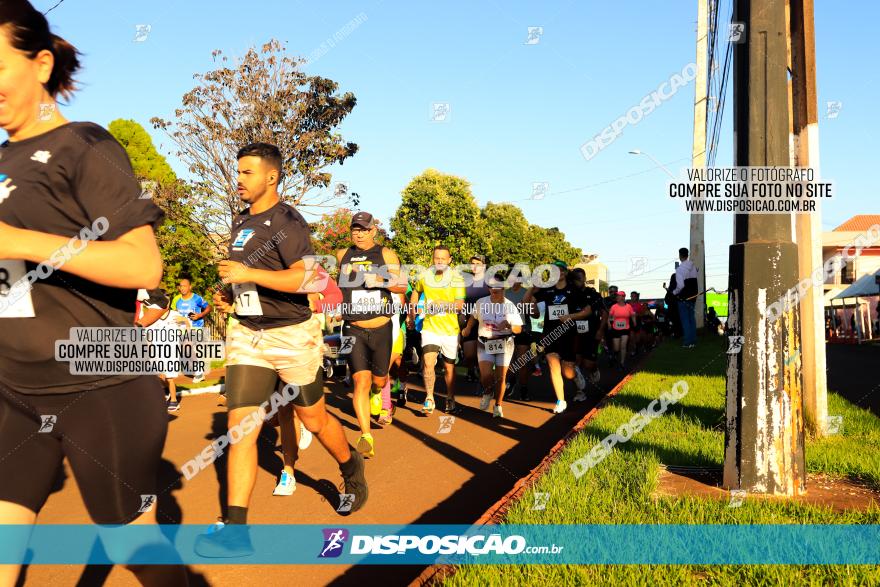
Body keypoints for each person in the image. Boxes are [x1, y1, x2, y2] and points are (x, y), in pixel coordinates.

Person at [0, 4, 187, 583]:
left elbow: (144, 265)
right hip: (13, 388)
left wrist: (16, 239)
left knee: (137, 551)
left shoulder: (85, 144)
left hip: (98, 384)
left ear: (41, 63)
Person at [196, 143, 367, 557]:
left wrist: (245, 272)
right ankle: (236, 530)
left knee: (313, 419)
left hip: (291, 335)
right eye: (238, 171)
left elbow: (306, 279)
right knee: (241, 429)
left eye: (247, 173)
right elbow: (249, 278)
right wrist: (230, 294)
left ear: (271, 177)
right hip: (248, 335)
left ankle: (350, 467)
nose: (239, 179)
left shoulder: (288, 221)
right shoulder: (241, 221)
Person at [335, 211, 406, 458]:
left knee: (378, 379)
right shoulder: (342, 255)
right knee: (359, 382)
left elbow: (402, 285)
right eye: (355, 229)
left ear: (373, 231)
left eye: (364, 230)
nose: (359, 234)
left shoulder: (386, 254)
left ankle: (379, 393)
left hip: (381, 328)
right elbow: (335, 288)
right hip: (353, 328)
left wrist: (382, 281)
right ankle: (366, 434)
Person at [523, 261, 590, 414]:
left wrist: (570, 316)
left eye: (560, 270)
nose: (557, 273)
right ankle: (561, 401)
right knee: (553, 366)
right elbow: (525, 303)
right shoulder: (547, 290)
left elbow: (587, 311)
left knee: (568, 372)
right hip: (550, 333)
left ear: (565, 273)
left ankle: (575, 373)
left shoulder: (574, 290)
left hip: (568, 333)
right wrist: (532, 288)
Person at [407, 245, 465, 415]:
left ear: (450, 260)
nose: (439, 261)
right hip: (430, 327)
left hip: (449, 330)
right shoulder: (425, 276)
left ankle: (450, 396)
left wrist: (441, 304)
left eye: (443, 258)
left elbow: (459, 306)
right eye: (436, 258)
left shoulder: (457, 279)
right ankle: (430, 398)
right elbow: (416, 292)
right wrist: (412, 313)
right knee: (429, 362)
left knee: (448, 368)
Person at [569, 269, 605, 387]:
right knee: (575, 362)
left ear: (584, 279)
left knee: (588, 364)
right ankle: (580, 390)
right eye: (575, 279)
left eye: (579, 279)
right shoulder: (570, 294)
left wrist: (600, 330)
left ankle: (594, 370)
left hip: (591, 332)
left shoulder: (593, 294)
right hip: (574, 332)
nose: (577, 282)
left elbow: (605, 313)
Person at [172, 277, 212, 383]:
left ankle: (199, 373)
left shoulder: (197, 298)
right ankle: (197, 369)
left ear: (190, 287)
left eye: (185, 286)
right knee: (186, 351)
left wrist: (200, 315)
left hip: (196, 327)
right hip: (183, 330)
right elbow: (177, 314)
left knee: (187, 347)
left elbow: (209, 307)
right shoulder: (178, 301)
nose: (182, 288)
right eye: (181, 286)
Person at [503, 274, 535, 400]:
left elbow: (535, 313)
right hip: (507, 330)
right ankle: (510, 381)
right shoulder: (504, 293)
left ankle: (523, 388)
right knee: (508, 362)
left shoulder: (526, 293)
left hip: (523, 329)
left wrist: (532, 309)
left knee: (522, 362)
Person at [460, 255, 490, 389]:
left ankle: (481, 373)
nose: (475, 266)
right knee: (470, 354)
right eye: (472, 263)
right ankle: (471, 369)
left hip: (486, 321)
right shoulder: (464, 281)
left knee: (483, 351)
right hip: (469, 321)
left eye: (478, 263)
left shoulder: (490, 282)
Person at [673, 247, 699, 348]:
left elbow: (680, 286)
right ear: (687, 255)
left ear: (680, 256)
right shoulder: (693, 266)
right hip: (693, 296)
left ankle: (687, 342)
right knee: (691, 318)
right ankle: (693, 341)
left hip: (683, 297)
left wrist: (674, 292)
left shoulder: (679, 269)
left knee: (685, 320)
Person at [608, 291, 637, 368]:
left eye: (618, 296)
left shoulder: (628, 306)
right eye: (616, 296)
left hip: (625, 328)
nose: (616, 297)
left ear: (623, 297)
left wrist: (634, 323)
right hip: (615, 329)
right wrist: (608, 324)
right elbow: (610, 317)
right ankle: (614, 355)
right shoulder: (614, 306)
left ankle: (622, 362)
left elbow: (632, 315)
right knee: (616, 348)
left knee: (623, 346)